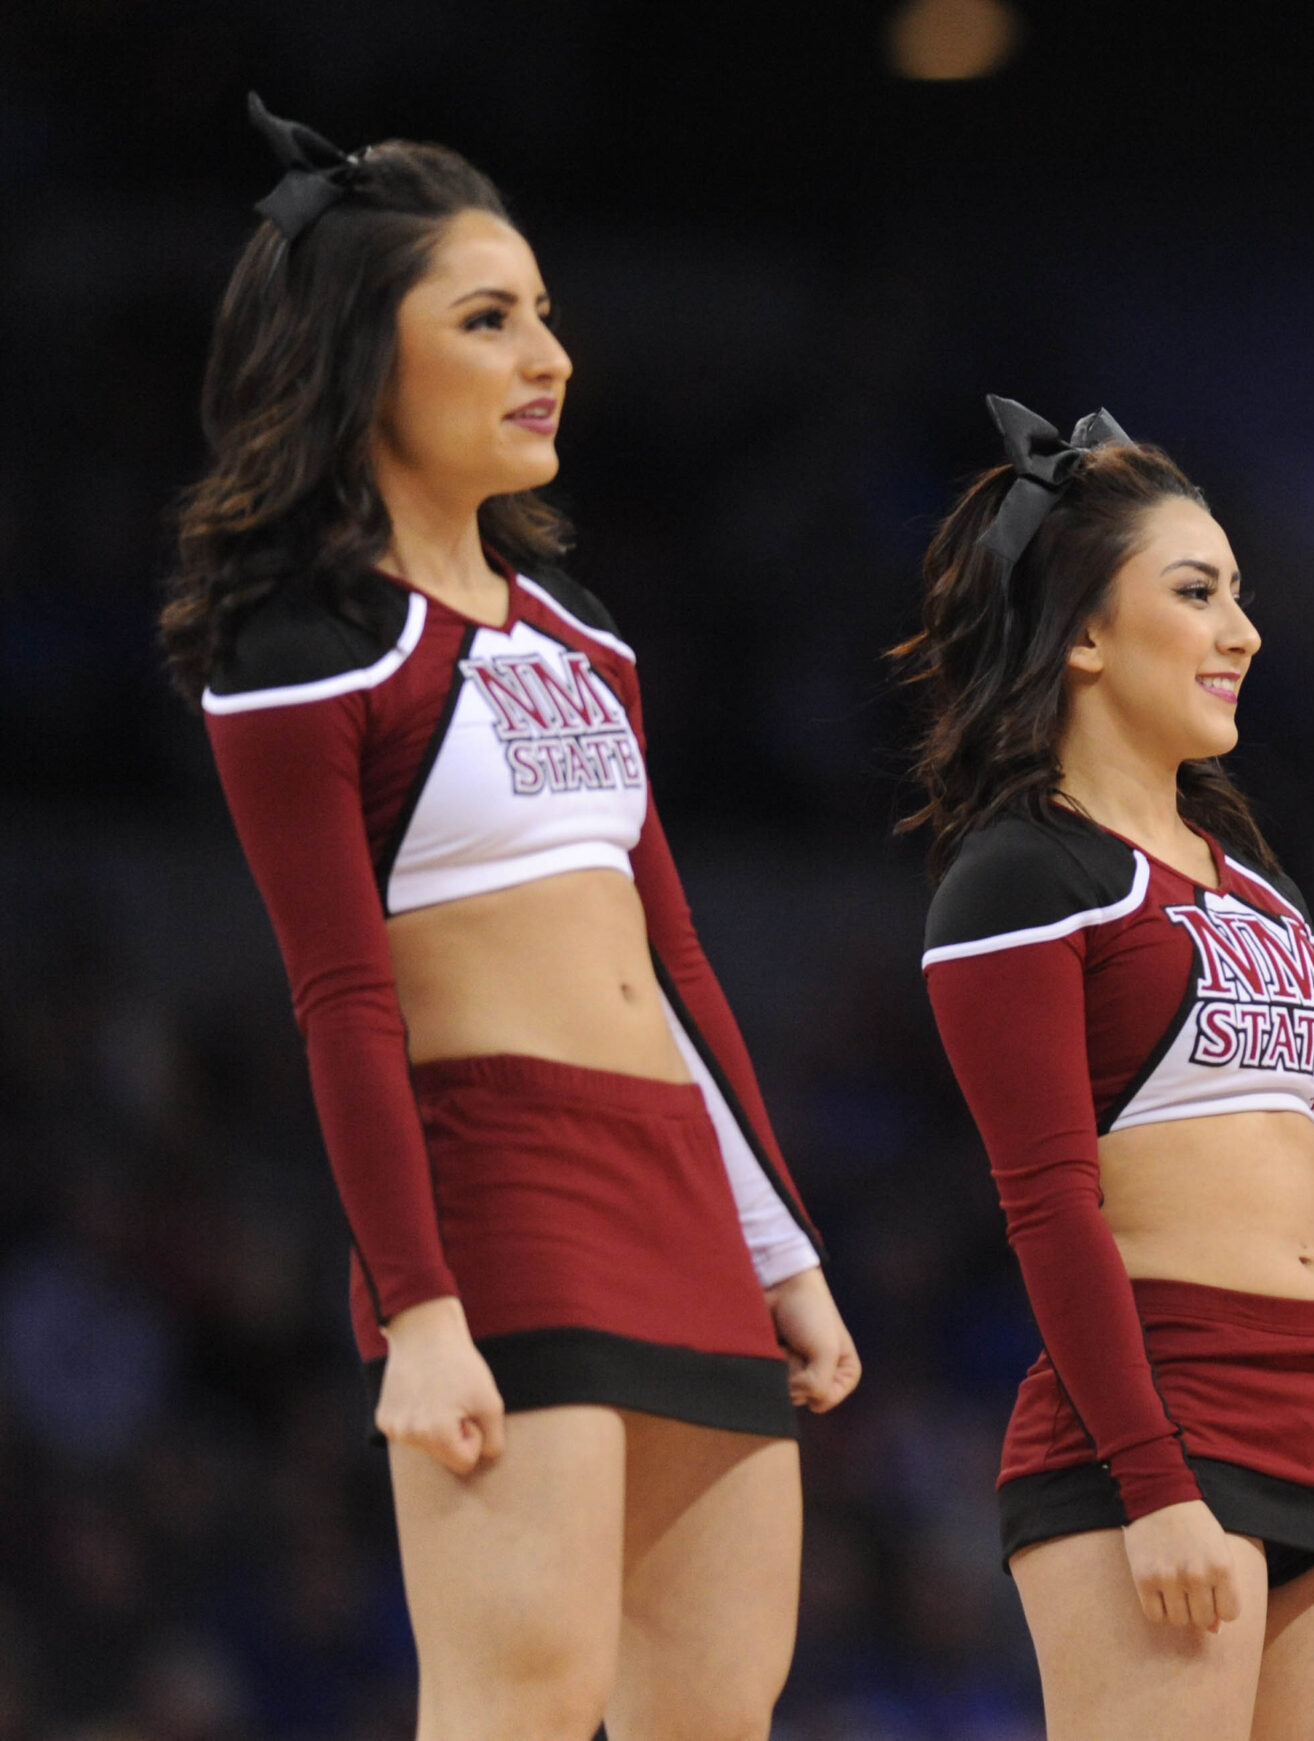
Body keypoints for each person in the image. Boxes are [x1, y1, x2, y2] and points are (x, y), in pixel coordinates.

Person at [160, 97, 860, 1739]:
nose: (547, 351)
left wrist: (785, 1250)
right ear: (361, 357)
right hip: (504, 1184)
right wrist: (417, 1311)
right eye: (487, 319)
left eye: (544, 311)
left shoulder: (585, 631)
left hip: (682, 1189)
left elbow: (672, 966)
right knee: (523, 1700)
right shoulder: (307, 642)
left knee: (717, 1710)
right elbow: (341, 996)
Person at [898, 398, 1314, 1738]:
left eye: (1242, 594)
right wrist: (1154, 1479)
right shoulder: (1020, 876)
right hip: (1152, 1424)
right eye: (1199, 591)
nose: (1246, 631)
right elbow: (1049, 1202)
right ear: (1088, 632)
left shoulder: (1264, 893)